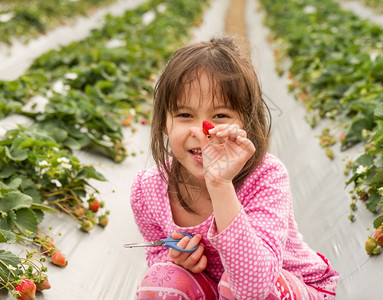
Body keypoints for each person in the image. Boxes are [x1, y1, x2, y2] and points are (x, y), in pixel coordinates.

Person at [130, 36, 338, 299]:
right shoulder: (147, 190)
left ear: (246, 124)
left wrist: (220, 185)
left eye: (220, 116)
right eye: (184, 115)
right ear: (164, 122)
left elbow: (255, 288)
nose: (201, 132)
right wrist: (176, 260)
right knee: (160, 281)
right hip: (219, 291)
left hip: (285, 287)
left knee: (235, 283)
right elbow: (156, 253)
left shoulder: (265, 177)